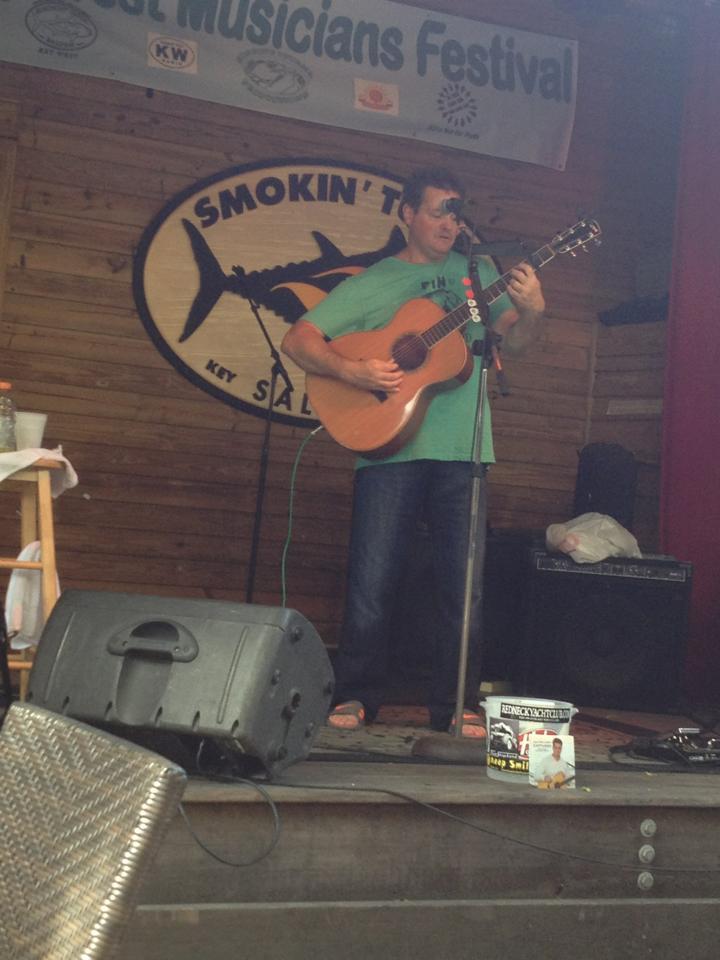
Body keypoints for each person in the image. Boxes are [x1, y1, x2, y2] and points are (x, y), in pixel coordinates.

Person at [281, 166, 545, 735]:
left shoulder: (478, 275)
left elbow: (516, 346)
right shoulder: (376, 281)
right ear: (408, 214)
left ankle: (456, 703)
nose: (450, 221)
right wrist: (351, 368)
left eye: (457, 210)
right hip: (386, 445)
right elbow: (298, 338)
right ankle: (354, 696)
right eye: (438, 210)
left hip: (465, 450)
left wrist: (535, 311)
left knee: (463, 586)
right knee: (373, 580)